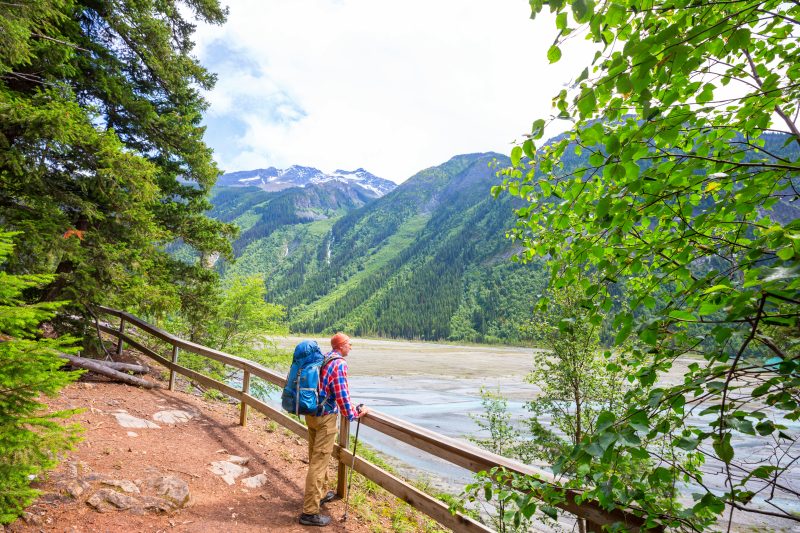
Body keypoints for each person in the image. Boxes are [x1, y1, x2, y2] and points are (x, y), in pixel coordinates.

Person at [299, 332, 369, 527]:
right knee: (319, 463)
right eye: (349, 344)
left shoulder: (324, 358)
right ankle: (309, 512)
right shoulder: (339, 364)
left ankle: (320, 495)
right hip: (325, 419)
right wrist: (355, 414)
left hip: (312, 414)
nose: (351, 347)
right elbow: (342, 395)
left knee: (315, 457)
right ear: (341, 346)